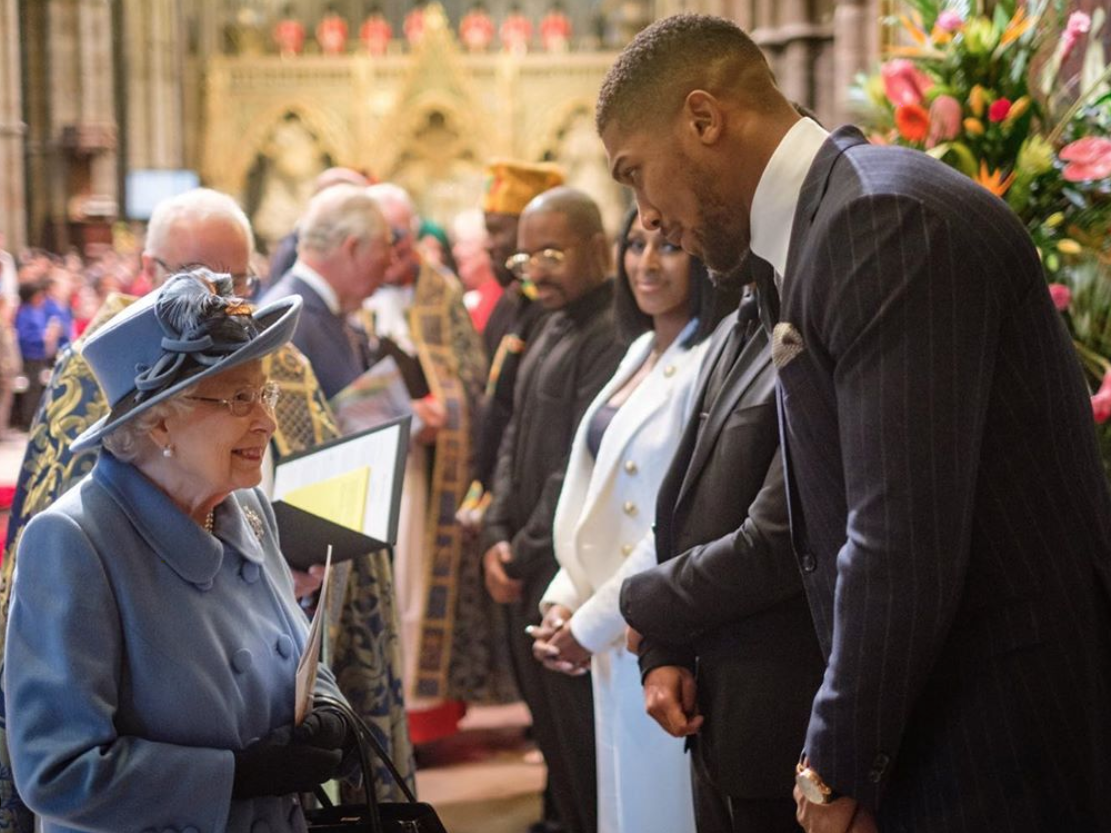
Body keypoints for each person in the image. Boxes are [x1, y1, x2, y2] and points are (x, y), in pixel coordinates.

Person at [597, 13, 1111, 833]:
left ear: (702, 118)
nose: (646, 216)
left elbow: (895, 535)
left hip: (990, 732)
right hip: (939, 716)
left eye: (634, 173)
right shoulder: (817, 231)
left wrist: (834, 761)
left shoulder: (878, 222)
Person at [0, 188, 413, 832]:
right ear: (159, 423)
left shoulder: (244, 506)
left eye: (264, 391)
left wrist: (327, 707)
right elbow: (56, 771)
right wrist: (237, 777)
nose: (268, 420)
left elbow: (296, 652)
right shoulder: (75, 543)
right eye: (239, 399)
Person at [532, 209, 731, 833]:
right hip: (604, 618)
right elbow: (594, 491)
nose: (647, 262)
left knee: (658, 809)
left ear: (700, 257)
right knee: (622, 808)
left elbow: (675, 520)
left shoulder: (708, 359)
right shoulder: (642, 348)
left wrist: (593, 622)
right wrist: (564, 599)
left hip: (655, 628)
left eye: (669, 246)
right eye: (636, 245)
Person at [617, 254, 823, 833]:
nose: (662, 228)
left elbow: (779, 539)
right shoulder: (745, 316)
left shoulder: (800, 325)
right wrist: (665, 650)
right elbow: (684, 505)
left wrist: (639, 602)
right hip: (716, 713)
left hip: (783, 712)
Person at [481, 186, 626, 833]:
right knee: (551, 731)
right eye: (523, 258)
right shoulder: (546, 323)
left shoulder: (613, 330)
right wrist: (495, 530)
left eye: (550, 252)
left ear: (597, 249)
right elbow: (513, 432)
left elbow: (575, 463)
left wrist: (524, 544)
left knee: (580, 736)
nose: (534, 270)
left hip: (563, 568)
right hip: (525, 558)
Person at [363, 183, 487, 741]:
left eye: (402, 238)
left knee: (414, 590)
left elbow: (472, 377)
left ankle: (422, 719)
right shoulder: (353, 292)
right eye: (383, 240)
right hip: (368, 470)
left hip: (423, 477)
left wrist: (445, 410)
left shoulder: (439, 291)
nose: (394, 252)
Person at [264, 183, 392, 399]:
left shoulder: (320, 312)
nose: (387, 272)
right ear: (352, 248)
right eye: (383, 258)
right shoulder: (287, 324)